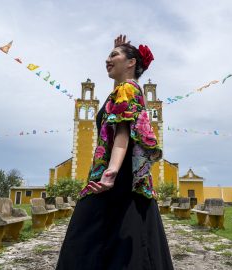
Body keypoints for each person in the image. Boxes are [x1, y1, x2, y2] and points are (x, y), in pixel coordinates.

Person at [56, 35, 174, 270]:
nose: (107, 60)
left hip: (118, 177)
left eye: (113, 56)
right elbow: (119, 113)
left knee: (88, 237)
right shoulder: (126, 89)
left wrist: (110, 171)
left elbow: (122, 130)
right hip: (127, 176)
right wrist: (117, 52)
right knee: (126, 238)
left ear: (130, 63)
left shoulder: (127, 90)